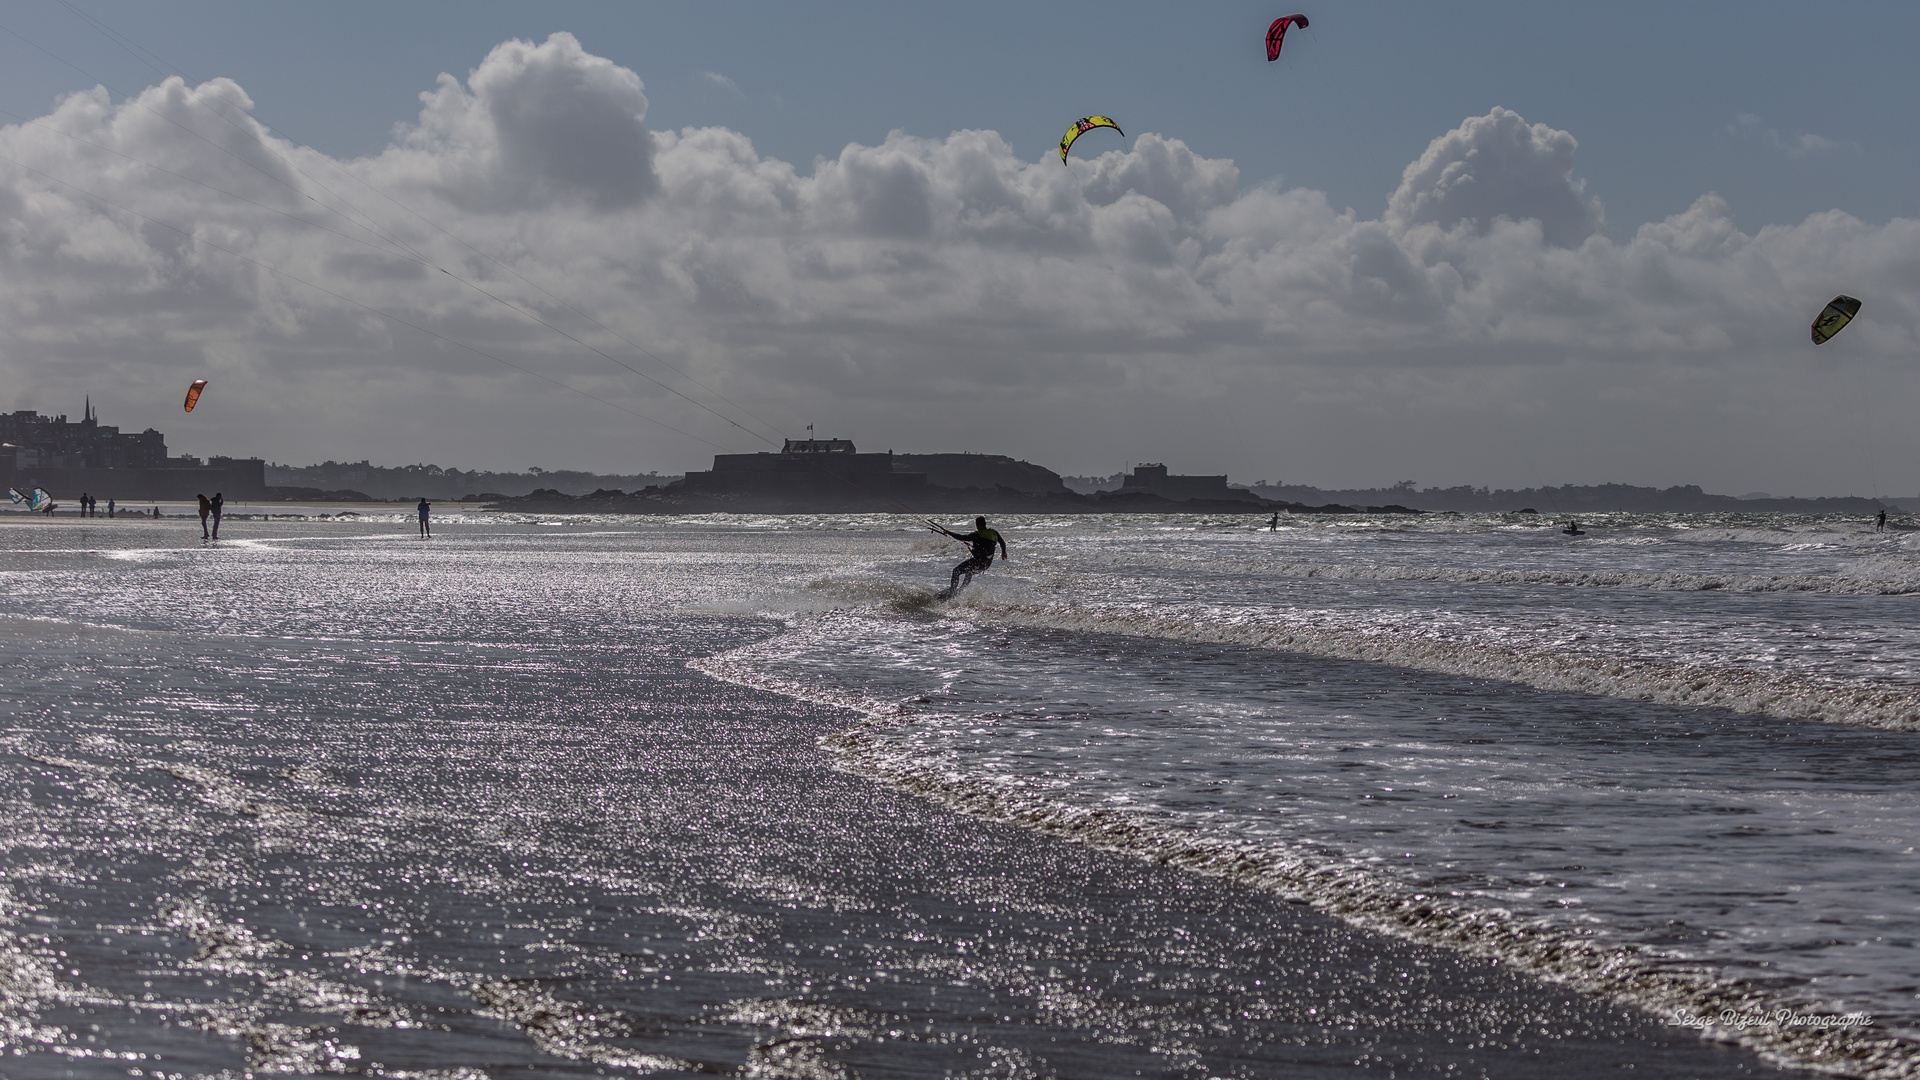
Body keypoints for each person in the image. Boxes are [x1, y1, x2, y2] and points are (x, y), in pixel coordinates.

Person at [930, 516, 1008, 599]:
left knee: (956, 571)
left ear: (976, 525)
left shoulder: (975, 535)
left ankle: (952, 591)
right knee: (969, 572)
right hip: (986, 564)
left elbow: (961, 537)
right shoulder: (994, 533)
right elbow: (1002, 542)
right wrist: (1004, 552)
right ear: (985, 523)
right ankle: (960, 590)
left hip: (977, 562)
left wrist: (949, 532)